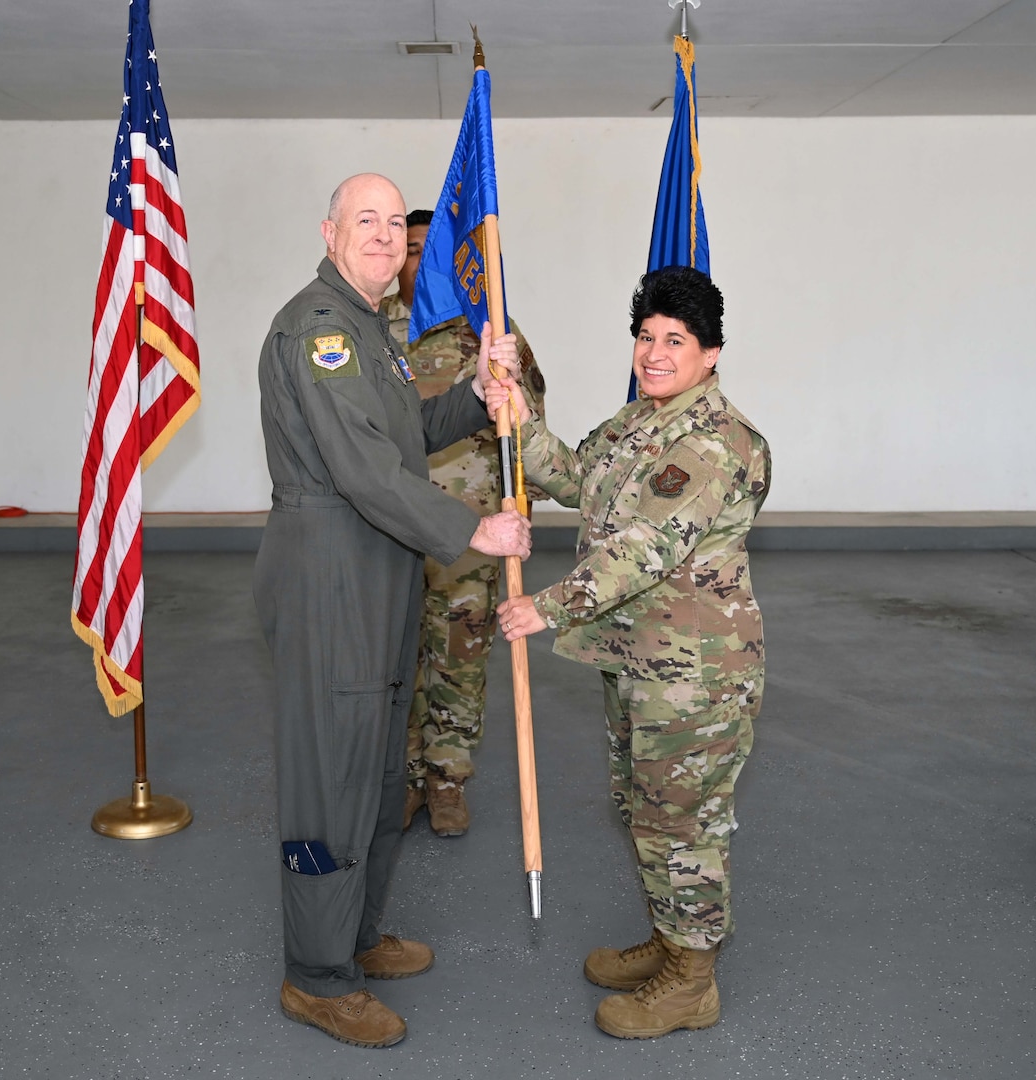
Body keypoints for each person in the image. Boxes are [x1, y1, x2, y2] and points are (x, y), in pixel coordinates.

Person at [253, 173, 531, 1049]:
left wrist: (477, 399)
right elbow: (364, 473)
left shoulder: (372, 330)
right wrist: (473, 531)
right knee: (331, 779)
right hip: (331, 571)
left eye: (390, 222)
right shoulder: (320, 332)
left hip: (378, 568)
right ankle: (317, 976)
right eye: (363, 220)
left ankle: (357, 939)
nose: (382, 235)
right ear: (329, 231)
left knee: (375, 773)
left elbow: (399, 437)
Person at [487, 266, 769, 1040]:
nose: (655, 352)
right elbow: (574, 476)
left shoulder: (718, 443)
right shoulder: (635, 424)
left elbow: (643, 550)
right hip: (638, 662)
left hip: (697, 678)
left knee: (683, 822)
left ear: (711, 353)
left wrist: (543, 608)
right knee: (644, 811)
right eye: (646, 337)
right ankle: (670, 940)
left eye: (675, 340)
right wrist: (515, 411)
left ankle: (692, 983)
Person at [381, 209, 547, 837]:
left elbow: (528, 423)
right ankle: (402, 777)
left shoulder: (491, 333)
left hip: (469, 534)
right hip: (394, 527)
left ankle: (447, 784)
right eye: (412, 249)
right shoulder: (374, 332)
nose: (419, 261)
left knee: (457, 662)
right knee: (396, 661)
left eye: (434, 251)